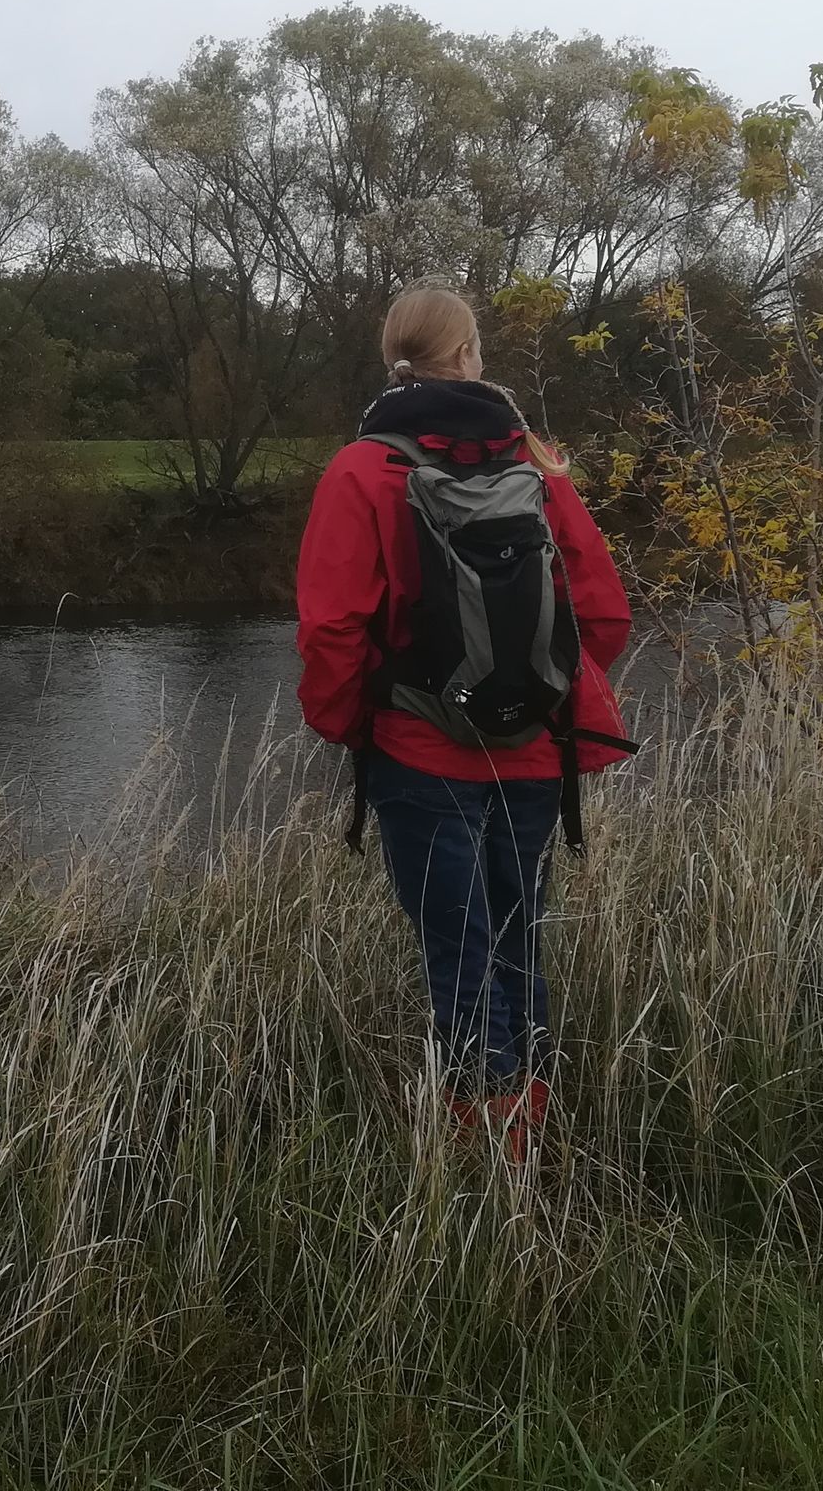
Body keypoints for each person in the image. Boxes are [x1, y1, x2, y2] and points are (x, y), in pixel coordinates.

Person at [294, 285, 632, 1164]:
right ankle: (531, 1123)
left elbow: (332, 628)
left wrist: (352, 725)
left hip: (418, 752)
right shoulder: (537, 461)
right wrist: (542, 693)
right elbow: (602, 611)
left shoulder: (360, 469)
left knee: (457, 948)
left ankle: (485, 1147)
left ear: (393, 361)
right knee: (518, 940)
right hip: (535, 752)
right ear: (471, 355)